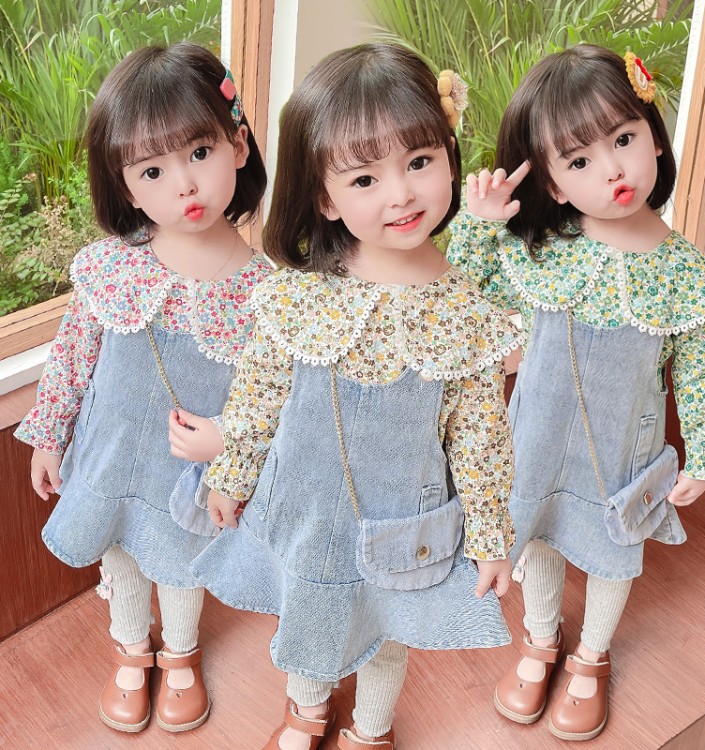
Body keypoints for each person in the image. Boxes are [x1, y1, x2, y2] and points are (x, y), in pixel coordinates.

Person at [190, 43, 521, 750]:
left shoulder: (467, 311)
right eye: (365, 178)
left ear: (450, 157)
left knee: (389, 630)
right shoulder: (300, 294)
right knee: (311, 614)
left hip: (406, 518)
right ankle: (306, 711)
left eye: (419, 161)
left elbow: (482, 438)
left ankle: (371, 731)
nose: (400, 194)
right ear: (323, 196)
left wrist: (492, 536)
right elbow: (258, 393)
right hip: (310, 509)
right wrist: (232, 472)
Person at [447, 44, 705, 741]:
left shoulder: (686, 273)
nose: (612, 170)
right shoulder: (541, 253)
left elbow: (704, 367)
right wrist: (480, 223)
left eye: (624, 140)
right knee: (541, 536)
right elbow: (461, 296)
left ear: (654, 136)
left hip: (623, 454)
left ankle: (592, 654)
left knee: (613, 551)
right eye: (578, 162)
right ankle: (541, 638)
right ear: (550, 184)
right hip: (538, 441)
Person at [15, 43, 271, 734]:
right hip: (113, 454)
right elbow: (72, 355)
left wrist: (235, 463)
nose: (183, 185)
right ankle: (132, 649)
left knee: (183, 558)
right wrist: (49, 436)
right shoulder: (110, 267)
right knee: (122, 554)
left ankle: (180, 652)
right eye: (152, 170)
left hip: (191, 471)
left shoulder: (265, 291)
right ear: (128, 188)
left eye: (199, 153)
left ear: (238, 146)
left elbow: (267, 399)